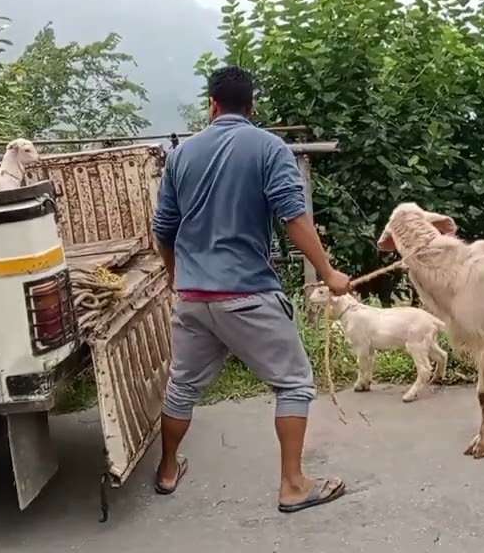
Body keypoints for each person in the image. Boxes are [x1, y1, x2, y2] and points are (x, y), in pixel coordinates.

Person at [151, 65, 352, 513]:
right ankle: (294, 485)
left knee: (182, 388)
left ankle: (167, 471)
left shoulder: (182, 154)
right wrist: (329, 273)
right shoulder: (269, 148)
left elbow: (163, 228)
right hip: (246, 295)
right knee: (295, 383)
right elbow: (294, 217)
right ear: (252, 107)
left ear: (212, 105)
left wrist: (174, 275)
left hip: (194, 297)